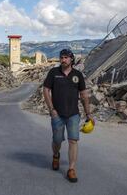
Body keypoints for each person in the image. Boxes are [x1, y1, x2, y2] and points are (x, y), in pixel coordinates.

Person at [43, 49, 93, 183]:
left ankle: (71, 169)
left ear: (71, 59)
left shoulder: (78, 75)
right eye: (61, 57)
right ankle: (56, 155)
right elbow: (46, 90)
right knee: (57, 141)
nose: (63, 59)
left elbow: (84, 95)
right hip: (57, 114)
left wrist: (88, 114)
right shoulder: (54, 73)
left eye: (66, 57)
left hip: (73, 115)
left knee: (73, 140)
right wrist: (51, 109)